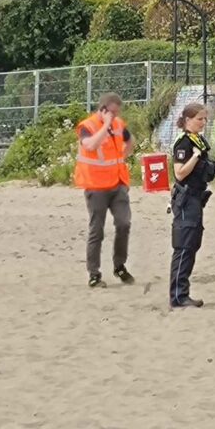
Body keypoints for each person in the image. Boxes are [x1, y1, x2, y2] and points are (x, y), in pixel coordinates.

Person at [74, 93, 134, 289]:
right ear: (102, 110)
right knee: (96, 231)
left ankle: (119, 265)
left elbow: (129, 140)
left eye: (117, 113)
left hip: (117, 184)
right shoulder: (87, 126)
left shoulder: (118, 124)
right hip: (96, 186)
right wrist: (105, 125)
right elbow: (90, 145)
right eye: (112, 112)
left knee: (124, 224)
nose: (115, 116)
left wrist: (123, 156)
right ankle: (94, 273)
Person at [166, 99, 215, 309]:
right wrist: (195, 157)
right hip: (186, 199)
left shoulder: (199, 141)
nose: (203, 122)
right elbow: (179, 173)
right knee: (184, 245)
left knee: (193, 243)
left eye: (205, 119)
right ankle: (178, 295)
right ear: (188, 120)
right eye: (199, 119)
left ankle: (183, 293)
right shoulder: (184, 144)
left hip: (196, 197)